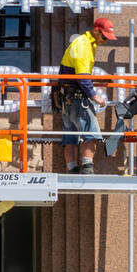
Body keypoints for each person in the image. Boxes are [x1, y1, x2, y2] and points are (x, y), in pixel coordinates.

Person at [56, 17, 115, 174]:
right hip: (77, 98)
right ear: (96, 30)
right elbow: (82, 76)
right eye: (104, 37)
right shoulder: (84, 45)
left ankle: (72, 170)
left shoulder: (86, 43)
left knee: (70, 136)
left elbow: (78, 74)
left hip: (66, 97)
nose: (105, 41)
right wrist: (95, 96)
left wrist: (95, 80)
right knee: (92, 132)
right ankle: (87, 170)